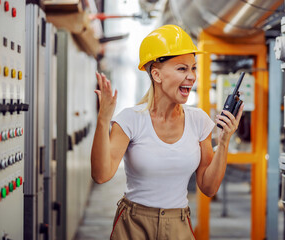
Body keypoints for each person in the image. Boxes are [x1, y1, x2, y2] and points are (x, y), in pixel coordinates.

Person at [91, 24, 243, 240]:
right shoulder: (130, 119)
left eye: (193, 68)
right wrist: (103, 119)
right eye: (182, 69)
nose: (191, 76)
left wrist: (225, 141)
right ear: (157, 74)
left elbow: (209, 188)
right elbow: (101, 175)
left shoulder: (198, 120)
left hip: (178, 225)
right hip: (133, 225)